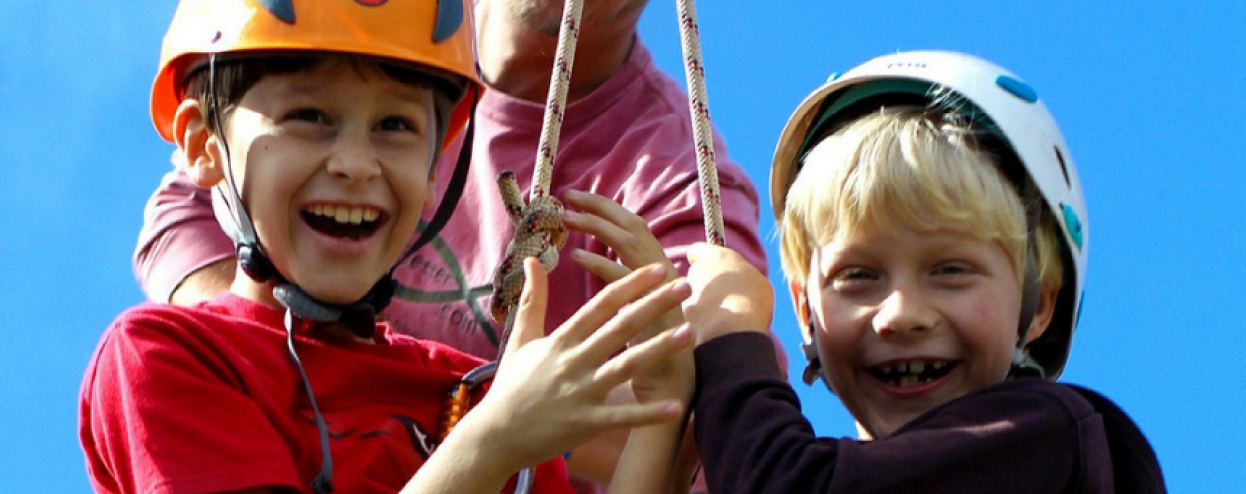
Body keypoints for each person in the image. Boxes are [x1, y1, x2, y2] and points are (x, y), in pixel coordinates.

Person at [131, 0, 773, 487]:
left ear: (441, 159)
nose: (355, 163)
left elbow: (703, 419)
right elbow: (187, 209)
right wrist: (289, 377)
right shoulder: (163, 358)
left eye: (394, 127)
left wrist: (644, 419)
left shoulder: (673, 176)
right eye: (310, 117)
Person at [679, 50, 1166, 493]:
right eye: (857, 276)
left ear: (1036, 304)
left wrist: (731, 343)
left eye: (951, 270)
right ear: (806, 308)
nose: (902, 314)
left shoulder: (1047, 439)